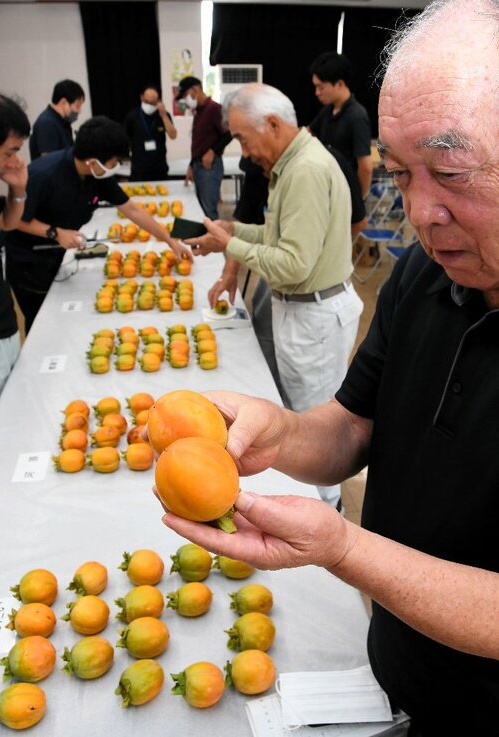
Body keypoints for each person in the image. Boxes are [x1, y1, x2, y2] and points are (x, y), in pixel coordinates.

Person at [161, 1, 499, 733]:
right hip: (398, 671)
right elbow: (353, 422)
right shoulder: (420, 279)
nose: (421, 212)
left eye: (451, 172)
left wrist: (343, 546)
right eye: (403, 175)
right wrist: (277, 432)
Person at [186, 84, 363, 509]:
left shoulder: (304, 170)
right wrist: (234, 231)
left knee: (315, 431)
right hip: (305, 310)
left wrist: (231, 247)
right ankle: (321, 507)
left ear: (273, 124)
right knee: (303, 417)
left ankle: (327, 512)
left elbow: (293, 264)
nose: (244, 153)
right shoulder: (293, 164)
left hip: (313, 316)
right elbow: (279, 237)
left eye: (244, 140)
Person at [1, 116, 191, 333]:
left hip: (57, 255)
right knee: (42, 325)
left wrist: (169, 240)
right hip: (30, 262)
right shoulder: (43, 175)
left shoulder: (97, 175)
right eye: (113, 164)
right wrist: (55, 233)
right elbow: (13, 222)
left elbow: (133, 210)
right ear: (92, 161)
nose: (115, 168)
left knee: (64, 321)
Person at [309, 52, 373, 199]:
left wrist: (359, 202)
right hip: (327, 192)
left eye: (321, 87)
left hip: (346, 197)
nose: (317, 93)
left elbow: (366, 167)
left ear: (339, 84)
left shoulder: (357, 116)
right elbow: (308, 133)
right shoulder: (327, 111)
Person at [0, 94, 29, 394]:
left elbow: (6, 223)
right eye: (11, 151)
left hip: (4, 319)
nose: (15, 161)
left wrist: (18, 190)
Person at [175, 76, 231, 220]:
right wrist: (191, 165)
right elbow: (199, 143)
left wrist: (213, 151)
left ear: (196, 89)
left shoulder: (214, 108)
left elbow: (229, 133)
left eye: (186, 96)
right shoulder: (200, 111)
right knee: (200, 209)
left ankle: (215, 241)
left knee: (209, 210)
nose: (186, 101)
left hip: (209, 167)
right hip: (198, 166)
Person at [124, 83, 177, 181]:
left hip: (159, 168)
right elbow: (125, 138)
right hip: (139, 168)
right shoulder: (132, 116)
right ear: (141, 98)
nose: (150, 105)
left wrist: (164, 115)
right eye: (147, 102)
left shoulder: (163, 115)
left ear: (158, 101)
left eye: (153, 103)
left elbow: (173, 135)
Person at [29, 79, 85, 161]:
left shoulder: (63, 123)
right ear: (63, 102)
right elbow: (48, 162)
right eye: (77, 106)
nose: (79, 111)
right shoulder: (47, 124)